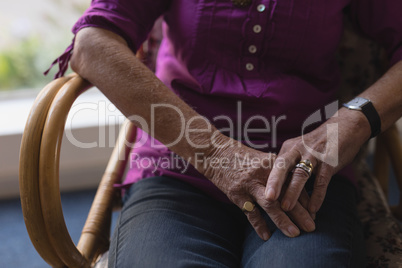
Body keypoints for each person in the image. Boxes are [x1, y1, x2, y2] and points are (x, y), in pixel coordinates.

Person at [49, 0, 402, 267]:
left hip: (303, 175)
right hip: (180, 167)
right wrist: (216, 154)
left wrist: (354, 120)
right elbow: (92, 43)